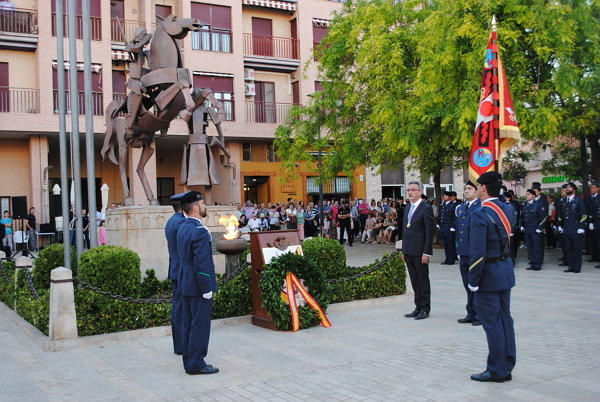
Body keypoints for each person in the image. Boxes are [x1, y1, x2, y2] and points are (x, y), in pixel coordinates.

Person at [467, 171, 516, 383]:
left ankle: (497, 370)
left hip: (488, 274)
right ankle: (507, 363)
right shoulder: (508, 208)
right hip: (505, 271)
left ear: (484, 188)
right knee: (505, 319)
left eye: (478, 186)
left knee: (492, 323)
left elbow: (477, 253)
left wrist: (473, 280)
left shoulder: (480, 214)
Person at [176, 191, 219, 375]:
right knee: (200, 324)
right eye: (202, 203)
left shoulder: (183, 227)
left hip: (185, 281)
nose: (204, 206)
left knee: (188, 324)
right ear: (195, 208)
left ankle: (189, 359)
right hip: (198, 284)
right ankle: (196, 363)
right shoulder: (199, 231)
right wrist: (206, 287)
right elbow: (202, 262)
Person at [402, 181, 435, 320]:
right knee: (414, 280)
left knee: (423, 280)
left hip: (420, 251)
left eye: (413, 190)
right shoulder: (408, 207)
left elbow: (429, 232)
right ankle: (418, 306)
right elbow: (405, 230)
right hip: (409, 250)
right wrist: (404, 250)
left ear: (420, 192)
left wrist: (426, 252)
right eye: (408, 190)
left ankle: (425, 308)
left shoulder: (425, 208)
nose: (410, 192)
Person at [455, 180, 481, 326]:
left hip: (475, 253)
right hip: (464, 251)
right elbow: (459, 230)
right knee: (467, 284)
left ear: (477, 191)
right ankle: (470, 312)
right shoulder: (461, 208)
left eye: (469, 188)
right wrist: (458, 248)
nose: (466, 191)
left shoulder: (481, 207)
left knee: (476, 284)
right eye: (465, 188)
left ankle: (479, 313)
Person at [164, 192, 188, 356]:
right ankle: (182, 345)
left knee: (179, 309)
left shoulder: (172, 220)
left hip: (176, 269)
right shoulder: (182, 223)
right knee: (181, 310)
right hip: (182, 272)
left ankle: (180, 345)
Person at [558, 182, 587, 273]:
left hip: (576, 228)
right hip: (566, 228)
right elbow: (561, 215)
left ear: (573, 190)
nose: (567, 189)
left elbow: (584, 215)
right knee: (568, 249)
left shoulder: (578, 200)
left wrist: (581, 227)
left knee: (576, 249)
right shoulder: (564, 201)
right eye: (566, 187)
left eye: (569, 187)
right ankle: (571, 266)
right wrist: (560, 226)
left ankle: (577, 267)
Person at [521, 189, 545, 271]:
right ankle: (532, 263)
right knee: (530, 248)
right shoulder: (525, 204)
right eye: (526, 194)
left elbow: (543, 217)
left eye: (528, 194)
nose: (526, 195)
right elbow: (523, 216)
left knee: (537, 248)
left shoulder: (538, 204)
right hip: (527, 229)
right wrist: (522, 225)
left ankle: (537, 264)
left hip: (535, 228)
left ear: (533, 195)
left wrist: (540, 228)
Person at [586, 181, 600, 266]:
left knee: (598, 241)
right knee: (593, 241)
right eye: (591, 188)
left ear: (598, 188)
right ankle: (595, 256)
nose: (592, 189)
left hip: (598, 222)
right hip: (591, 222)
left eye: (593, 187)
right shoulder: (589, 198)